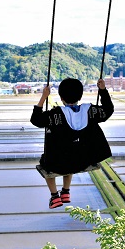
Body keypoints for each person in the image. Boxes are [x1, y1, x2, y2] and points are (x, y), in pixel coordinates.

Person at [30, 77, 114, 209]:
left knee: (46, 161)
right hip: (82, 162)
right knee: (73, 151)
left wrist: (44, 97)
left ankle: (54, 196)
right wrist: (102, 90)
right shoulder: (90, 111)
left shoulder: (55, 115)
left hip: (58, 164)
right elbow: (108, 110)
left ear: (61, 97)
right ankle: (66, 192)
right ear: (80, 96)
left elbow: (36, 120)